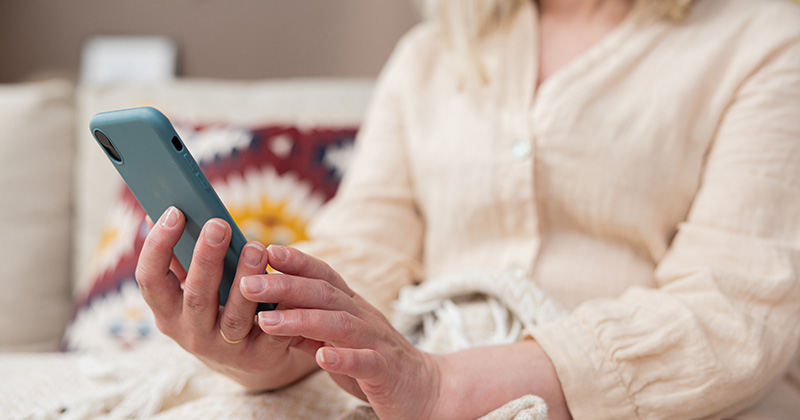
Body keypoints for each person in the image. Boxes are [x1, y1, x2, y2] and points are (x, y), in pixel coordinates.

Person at [134, 0, 800, 418]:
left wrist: (445, 388)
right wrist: (270, 344)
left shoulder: (769, 38)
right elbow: (364, 253)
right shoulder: (431, 54)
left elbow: (738, 309)